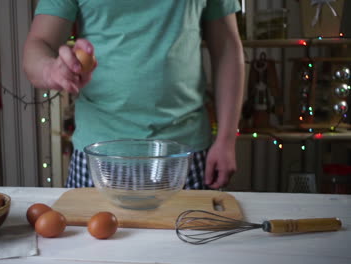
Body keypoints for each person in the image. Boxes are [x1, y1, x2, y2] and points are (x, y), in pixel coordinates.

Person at [23, 0, 245, 190]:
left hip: (185, 152)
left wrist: (226, 139)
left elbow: (227, 47)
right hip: (98, 154)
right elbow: (38, 44)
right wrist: (51, 70)